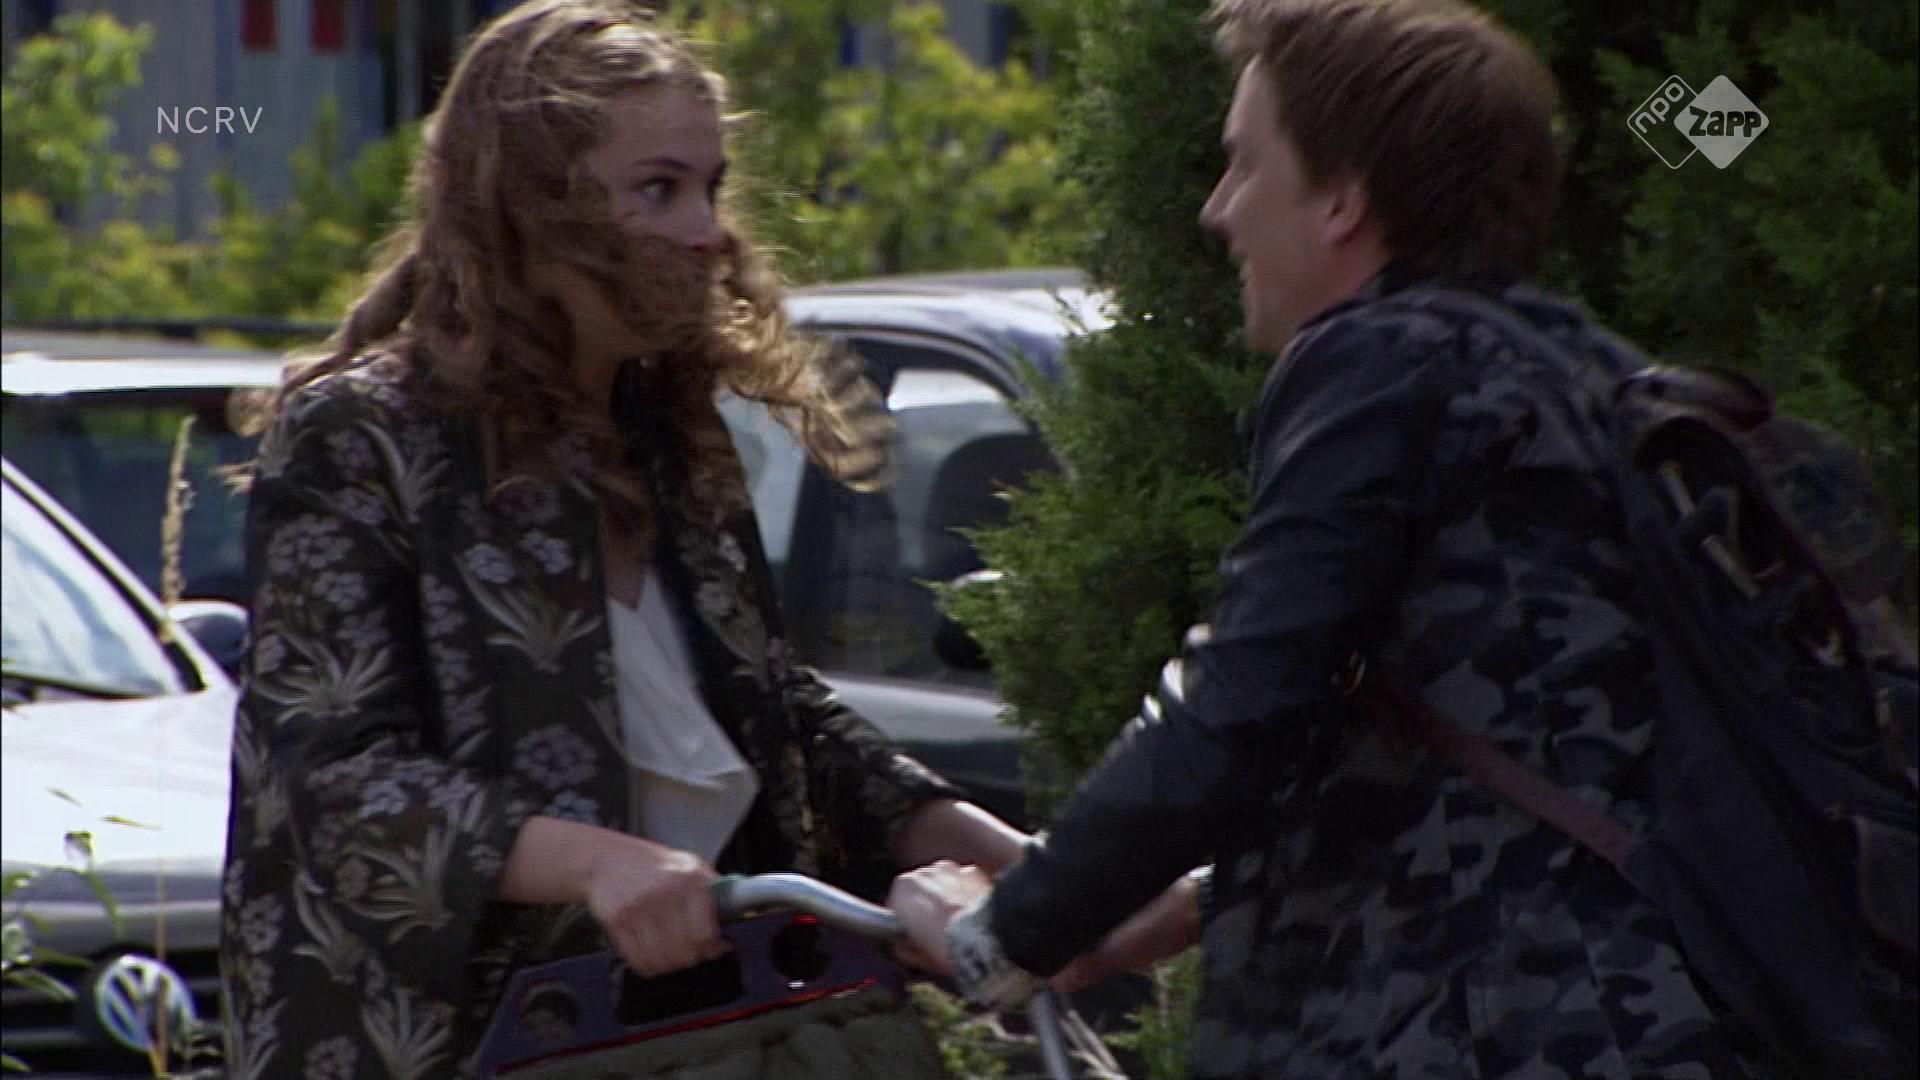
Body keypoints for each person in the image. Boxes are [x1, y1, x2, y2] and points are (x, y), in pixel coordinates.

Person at [890, 0, 1784, 1076]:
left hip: (1501, 1034)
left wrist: (1000, 937)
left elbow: (1242, 702)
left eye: (1244, 164)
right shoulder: (1584, 373)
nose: (1218, 211)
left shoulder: (1380, 361)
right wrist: (1194, 899)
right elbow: (1516, 742)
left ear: (1343, 202)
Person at [215, 3, 1029, 1076]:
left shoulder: (667, 433)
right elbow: (336, 784)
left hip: (691, 1031)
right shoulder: (365, 436)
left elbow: (778, 719)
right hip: (454, 1044)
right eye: (659, 189)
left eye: (712, 188)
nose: (707, 231)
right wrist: (597, 865)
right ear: (532, 209)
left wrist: (1012, 859)